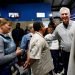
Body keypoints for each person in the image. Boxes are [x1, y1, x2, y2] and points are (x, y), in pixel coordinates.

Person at [45, 7, 75, 75]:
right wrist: (42, 38)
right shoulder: (58, 27)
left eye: (66, 14)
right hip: (65, 53)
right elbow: (53, 36)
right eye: (62, 14)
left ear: (69, 15)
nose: (64, 16)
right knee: (66, 68)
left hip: (74, 52)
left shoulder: (74, 24)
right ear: (61, 16)